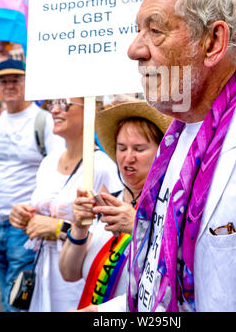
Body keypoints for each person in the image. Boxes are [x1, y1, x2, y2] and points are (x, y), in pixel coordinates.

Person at [90, 0, 236, 312]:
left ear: (213, 42)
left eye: (155, 30)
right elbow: (161, 282)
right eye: (138, 31)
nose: (134, 50)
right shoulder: (176, 139)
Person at [9, 97, 123, 312]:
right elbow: (42, 211)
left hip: (77, 281)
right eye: (52, 104)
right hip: (44, 273)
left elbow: (113, 239)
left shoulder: (103, 167)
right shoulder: (49, 162)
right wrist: (23, 216)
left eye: (65, 104)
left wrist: (60, 228)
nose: (54, 110)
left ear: (90, 110)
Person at [59, 100, 172, 311]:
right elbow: (69, 273)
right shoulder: (107, 202)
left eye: (139, 149)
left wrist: (138, 226)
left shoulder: (170, 211)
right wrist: (79, 227)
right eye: (121, 148)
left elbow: (172, 284)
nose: (128, 158)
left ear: (161, 153)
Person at [0, 58, 65, 312]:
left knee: (16, 304)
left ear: (27, 83)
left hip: (24, 227)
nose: (8, 85)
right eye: (3, 80)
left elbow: (59, 170)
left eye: (15, 80)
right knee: (6, 299)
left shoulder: (44, 122)